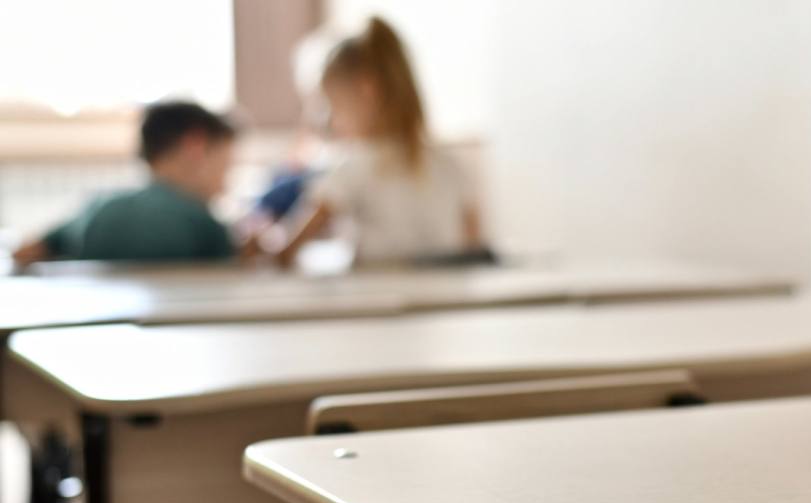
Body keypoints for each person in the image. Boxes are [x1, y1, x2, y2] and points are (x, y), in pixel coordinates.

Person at [266, 17, 482, 268]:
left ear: (367, 91)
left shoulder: (353, 167)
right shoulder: (451, 165)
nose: (332, 122)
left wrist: (268, 249)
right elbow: (472, 250)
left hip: (376, 300)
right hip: (446, 301)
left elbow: (292, 246)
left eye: (333, 107)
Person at [13, 101, 237, 266]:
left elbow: (28, 250)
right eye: (225, 166)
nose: (225, 186)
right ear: (194, 147)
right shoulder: (203, 224)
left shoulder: (100, 206)